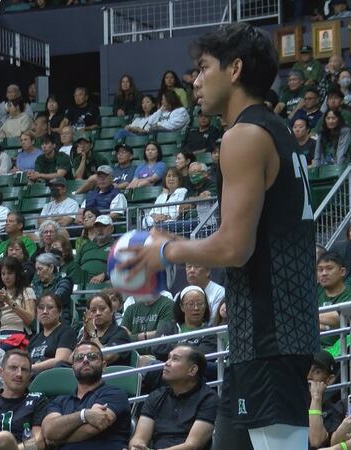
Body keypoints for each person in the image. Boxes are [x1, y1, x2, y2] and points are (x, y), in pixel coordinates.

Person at [124, 24, 319, 449]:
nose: (194, 80)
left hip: (273, 334)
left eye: (202, 68)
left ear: (234, 69)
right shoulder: (275, 129)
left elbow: (234, 246)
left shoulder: (245, 135)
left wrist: (166, 249)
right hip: (266, 332)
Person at [41, 340, 131, 450]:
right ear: (73, 369)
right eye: (79, 358)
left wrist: (58, 439)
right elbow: (49, 429)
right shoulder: (60, 401)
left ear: (103, 366)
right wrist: (84, 415)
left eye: (92, 356)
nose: (85, 360)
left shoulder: (115, 394)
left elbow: (93, 428)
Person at [129, 345, 216, 450]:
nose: (166, 363)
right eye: (168, 358)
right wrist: (136, 447)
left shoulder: (209, 399)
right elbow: (139, 437)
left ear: (192, 370)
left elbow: (192, 445)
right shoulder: (156, 396)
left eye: (175, 359)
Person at [152, 287, 217, 362]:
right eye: (191, 304)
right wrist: (189, 346)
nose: (196, 308)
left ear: (205, 306)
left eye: (200, 303)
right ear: (182, 307)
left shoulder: (210, 333)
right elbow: (157, 348)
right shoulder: (167, 326)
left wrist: (174, 345)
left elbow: (198, 357)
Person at [79, 293, 132, 366]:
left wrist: (93, 335)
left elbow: (106, 357)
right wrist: (84, 338)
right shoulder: (87, 335)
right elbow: (71, 360)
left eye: (102, 309)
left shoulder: (121, 333)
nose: (97, 313)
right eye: (93, 310)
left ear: (111, 311)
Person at [28, 293, 76, 374]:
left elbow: (61, 360)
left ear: (60, 312)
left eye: (50, 307)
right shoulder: (34, 339)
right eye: (41, 308)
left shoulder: (66, 332)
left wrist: (30, 368)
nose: (45, 312)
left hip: (53, 378)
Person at [0, 257, 36, 343]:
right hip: (0, 335)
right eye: (3, 274)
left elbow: (30, 319)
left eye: (10, 273)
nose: (6, 277)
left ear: (17, 274)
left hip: (19, 334)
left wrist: (9, 301)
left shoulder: (27, 291)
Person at [307, 350, 340, 449]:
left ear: (329, 379)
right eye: (306, 369)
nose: (309, 376)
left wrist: (316, 398)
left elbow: (316, 443)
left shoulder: (334, 411)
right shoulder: (289, 403)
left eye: (317, 371)